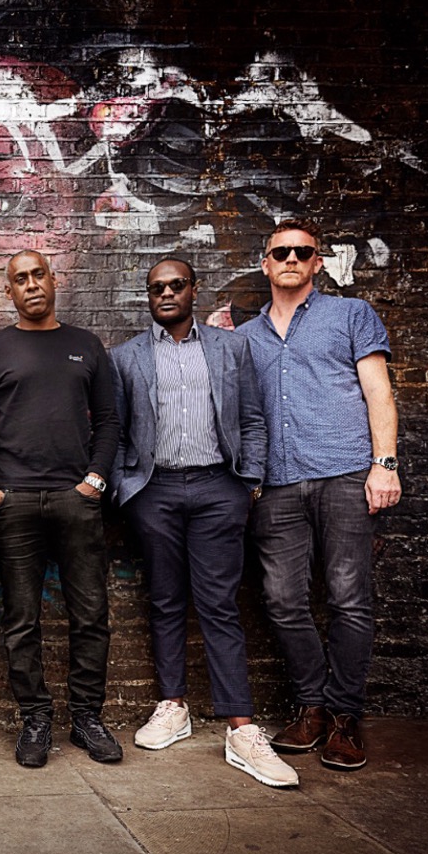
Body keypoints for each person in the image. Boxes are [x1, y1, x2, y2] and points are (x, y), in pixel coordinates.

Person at [109, 258, 297, 787]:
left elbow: (254, 418)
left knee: (218, 604)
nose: (166, 294)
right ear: (148, 297)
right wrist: (129, 492)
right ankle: (173, 706)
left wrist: (249, 483)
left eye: (175, 285)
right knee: (166, 601)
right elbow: (117, 432)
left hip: (220, 488)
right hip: (155, 492)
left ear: (194, 290)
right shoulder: (126, 358)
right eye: (156, 288)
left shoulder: (231, 348)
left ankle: (241, 726)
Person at [239, 218, 401, 771]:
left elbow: (378, 391)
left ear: (317, 262)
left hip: (344, 475)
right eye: (279, 251)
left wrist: (384, 465)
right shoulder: (245, 337)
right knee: (283, 601)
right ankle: (311, 707)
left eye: (301, 252)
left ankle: (345, 717)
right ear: (265, 263)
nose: (290, 258)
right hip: (277, 485)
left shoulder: (350, 315)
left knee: (348, 598)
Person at [0, 249, 122, 768]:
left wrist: (95, 479)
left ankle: (87, 719)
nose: (31, 284)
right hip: (12, 503)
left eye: (38, 274)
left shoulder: (86, 345)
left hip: (76, 498)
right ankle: (36, 718)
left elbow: (108, 419)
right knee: (21, 619)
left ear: (53, 281)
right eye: (20, 279)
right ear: (8, 291)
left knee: (90, 614)